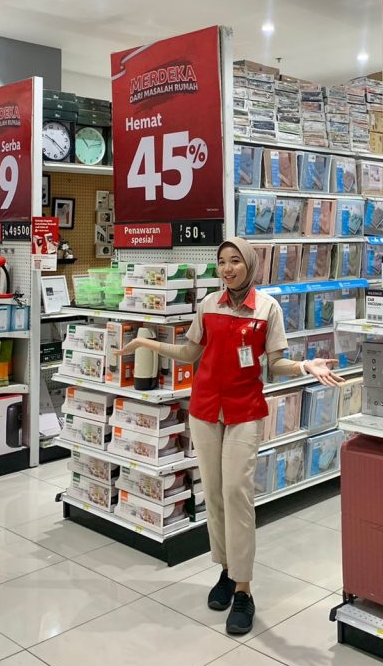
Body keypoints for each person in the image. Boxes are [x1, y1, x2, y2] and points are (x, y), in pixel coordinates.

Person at [124, 236, 343, 635]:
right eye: (222, 261)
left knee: (236, 493)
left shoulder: (267, 308)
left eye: (235, 261)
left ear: (250, 264)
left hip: (244, 411)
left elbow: (275, 363)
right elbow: (190, 354)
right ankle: (225, 570)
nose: (227, 268)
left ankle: (243, 589)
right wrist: (146, 343)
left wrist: (305, 366)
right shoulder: (209, 304)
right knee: (214, 493)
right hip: (205, 410)